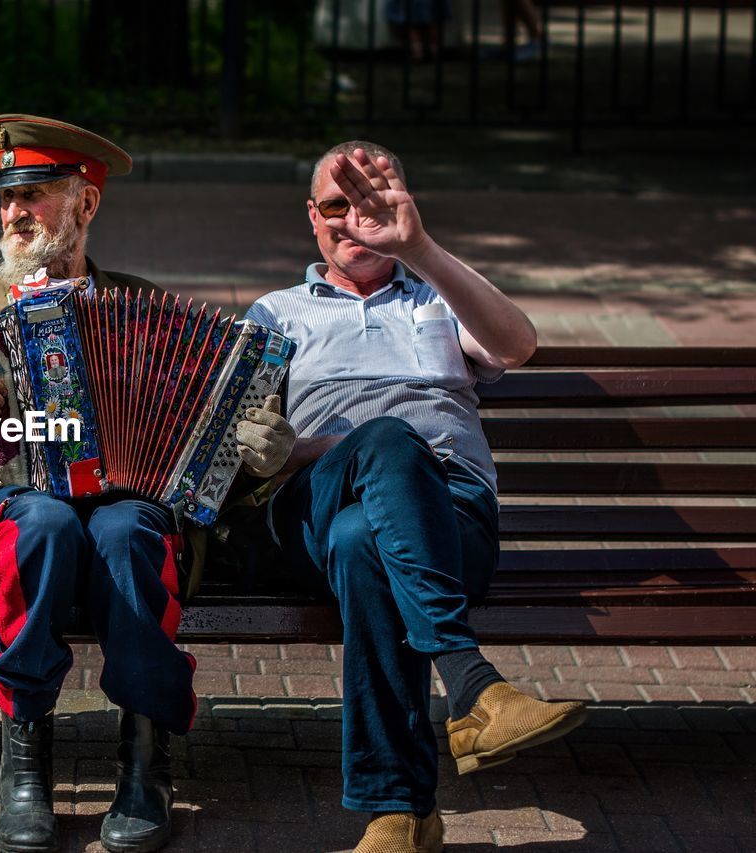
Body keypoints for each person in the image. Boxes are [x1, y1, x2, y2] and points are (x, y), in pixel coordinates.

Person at [0, 114, 291, 853]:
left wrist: (255, 458)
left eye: (35, 195)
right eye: (6, 197)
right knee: (41, 524)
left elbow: (204, 462)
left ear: (86, 204)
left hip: (125, 510)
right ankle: (24, 767)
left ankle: (145, 764)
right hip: (18, 512)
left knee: (128, 529)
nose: (14, 213)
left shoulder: (142, 310)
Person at [243, 140, 587, 853]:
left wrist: (420, 246)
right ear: (313, 218)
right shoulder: (275, 314)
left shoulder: (437, 293)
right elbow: (237, 448)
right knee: (389, 442)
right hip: (315, 498)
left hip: (450, 512)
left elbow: (517, 344)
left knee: (364, 542)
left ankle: (400, 814)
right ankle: (474, 685)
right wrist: (284, 448)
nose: (352, 219)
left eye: (369, 201)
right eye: (336, 205)